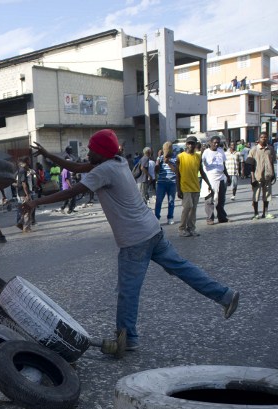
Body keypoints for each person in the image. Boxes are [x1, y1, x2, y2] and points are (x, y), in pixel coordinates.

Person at [23, 129, 239, 353]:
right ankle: (225, 295)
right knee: (182, 268)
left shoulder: (103, 170)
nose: (88, 153)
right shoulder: (116, 162)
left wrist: (35, 203)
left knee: (128, 291)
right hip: (152, 230)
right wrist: (48, 155)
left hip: (135, 240)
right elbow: (76, 167)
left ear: (101, 152)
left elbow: (72, 192)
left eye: (91, 149)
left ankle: (128, 339)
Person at [176, 136, 213, 237]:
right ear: (186, 144)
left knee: (193, 209)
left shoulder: (198, 157)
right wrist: (178, 189)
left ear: (196, 144)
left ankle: (191, 228)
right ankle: (182, 229)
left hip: (196, 187)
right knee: (187, 207)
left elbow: (201, 171)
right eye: (189, 143)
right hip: (185, 187)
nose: (191, 145)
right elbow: (177, 174)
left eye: (193, 143)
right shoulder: (180, 157)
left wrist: (209, 184)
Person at [200, 136, 230, 224]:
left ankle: (222, 217)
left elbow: (223, 165)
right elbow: (200, 164)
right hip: (210, 179)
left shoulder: (221, 151)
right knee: (209, 200)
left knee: (221, 199)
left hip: (220, 178)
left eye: (218, 142)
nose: (216, 144)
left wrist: (227, 176)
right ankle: (210, 218)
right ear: (210, 142)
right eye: (214, 142)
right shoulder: (206, 152)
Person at [248, 131, 276, 219]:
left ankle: (266, 213)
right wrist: (252, 178)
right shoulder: (253, 150)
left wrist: (273, 174)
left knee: (267, 196)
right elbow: (250, 165)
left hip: (267, 176)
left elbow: (272, 162)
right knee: (256, 196)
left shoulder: (270, 149)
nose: (264, 139)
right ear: (259, 139)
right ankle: (256, 213)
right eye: (262, 137)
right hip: (257, 177)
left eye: (265, 137)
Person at [154, 141, 177, 225]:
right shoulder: (160, 158)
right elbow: (156, 170)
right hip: (161, 183)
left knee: (171, 201)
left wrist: (168, 162)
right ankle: (157, 217)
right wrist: (158, 159)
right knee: (159, 201)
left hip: (172, 183)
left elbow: (175, 170)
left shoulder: (175, 158)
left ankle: (170, 217)